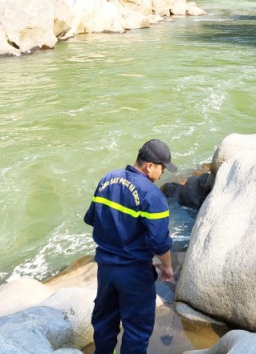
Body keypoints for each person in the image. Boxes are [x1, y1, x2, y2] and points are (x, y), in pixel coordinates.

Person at [84, 139, 177, 354]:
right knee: (137, 330)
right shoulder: (153, 195)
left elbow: (92, 218)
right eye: (162, 168)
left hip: (106, 268)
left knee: (104, 321)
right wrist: (167, 266)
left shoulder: (108, 179)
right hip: (134, 273)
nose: (163, 173)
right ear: (149, 166)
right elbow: (159, 242)